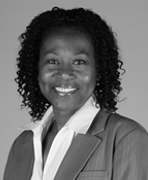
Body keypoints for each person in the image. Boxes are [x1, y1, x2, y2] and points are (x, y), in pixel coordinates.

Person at [3, 7, 148, 180]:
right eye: (52, 61)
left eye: (79, 62)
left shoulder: (126, 137)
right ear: (36, 68)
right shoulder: (22, 145)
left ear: (98, 69)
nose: (64, 73)